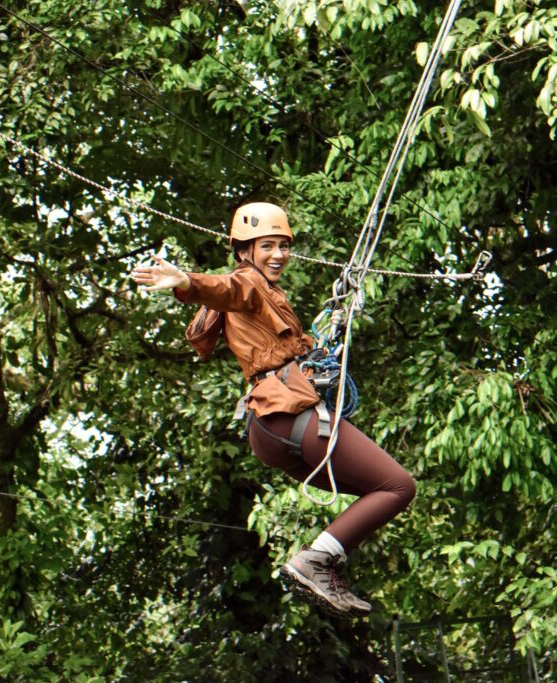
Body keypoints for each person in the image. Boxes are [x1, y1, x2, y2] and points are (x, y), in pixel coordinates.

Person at [130, 202, 416, 616]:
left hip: (270, 428)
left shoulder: (266, 295)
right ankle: (315, 561)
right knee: (399, 486)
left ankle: (322, 560)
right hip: (287, 413)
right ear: (245, 251)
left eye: (284, 246)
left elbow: (279, 341)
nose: (279, 254)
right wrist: (186, 281)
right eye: (268, 245)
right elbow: (228, 288)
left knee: (378, 491)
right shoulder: (247, 282)